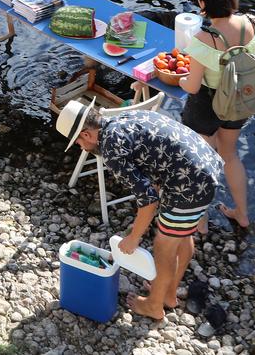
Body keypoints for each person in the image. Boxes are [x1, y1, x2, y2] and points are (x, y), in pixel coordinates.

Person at [59, 101, 223, 322]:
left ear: (87, 134)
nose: (80, 146)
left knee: (163, 245)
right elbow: (154, 164)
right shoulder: (122, 120)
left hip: (189, 184)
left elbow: (148, 201)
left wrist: (134, 237)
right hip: (207, 164)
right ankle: (169, 293)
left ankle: (154, 305)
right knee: (181, 235)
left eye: (77, 141)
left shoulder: (111, 150)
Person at [179, 0, 255, 232]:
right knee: (230, 155)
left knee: (203, 161)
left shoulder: (204, 39)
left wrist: (180, 79)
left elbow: (193, 85)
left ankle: (201, 221)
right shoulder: (253, 24)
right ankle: (242, 214)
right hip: (240, 100)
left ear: (202, 3)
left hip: (207, 105)